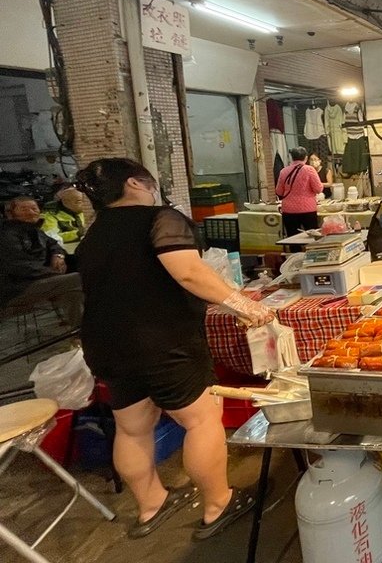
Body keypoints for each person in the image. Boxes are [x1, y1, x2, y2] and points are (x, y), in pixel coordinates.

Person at [74, 158, 274, 540]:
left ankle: (151, 505)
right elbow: (188, 271)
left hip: (107, 344)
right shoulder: (160, 218)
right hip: (162, 341)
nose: (154, 190)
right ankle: (218, 504)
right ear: (135, 183)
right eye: (150, 183)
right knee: (200, 421)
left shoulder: (95, 231)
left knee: (132, 429)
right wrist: (245, 305)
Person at [0, 196, 83, 326]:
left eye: (34, 208)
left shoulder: (34, 230)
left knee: (73, 289)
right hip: (18, 288)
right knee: (79, 278)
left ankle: (81, 331)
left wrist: (58, 255)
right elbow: (19, 267)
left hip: (39, 281)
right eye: (24, 209)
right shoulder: (7, 235)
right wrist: (54, 273)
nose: (31, 212)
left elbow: (54, 244)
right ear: (10, 214)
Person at [275, 147, 324, 236]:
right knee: (312, 238)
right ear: (306, 157)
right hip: (308, 209)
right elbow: (318, 189)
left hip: (288, 210)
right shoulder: (309, 169)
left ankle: (295, 250)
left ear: (291, 157)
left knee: (292, 238)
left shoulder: (283, 171)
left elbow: (279, 191)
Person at [41, 184, 88, 254]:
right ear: (66, 202)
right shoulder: (49, 216)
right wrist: (78, 233)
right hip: (64, 251)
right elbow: (52, 238)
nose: (85, 204)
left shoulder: (85, 211)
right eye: (79, 202)